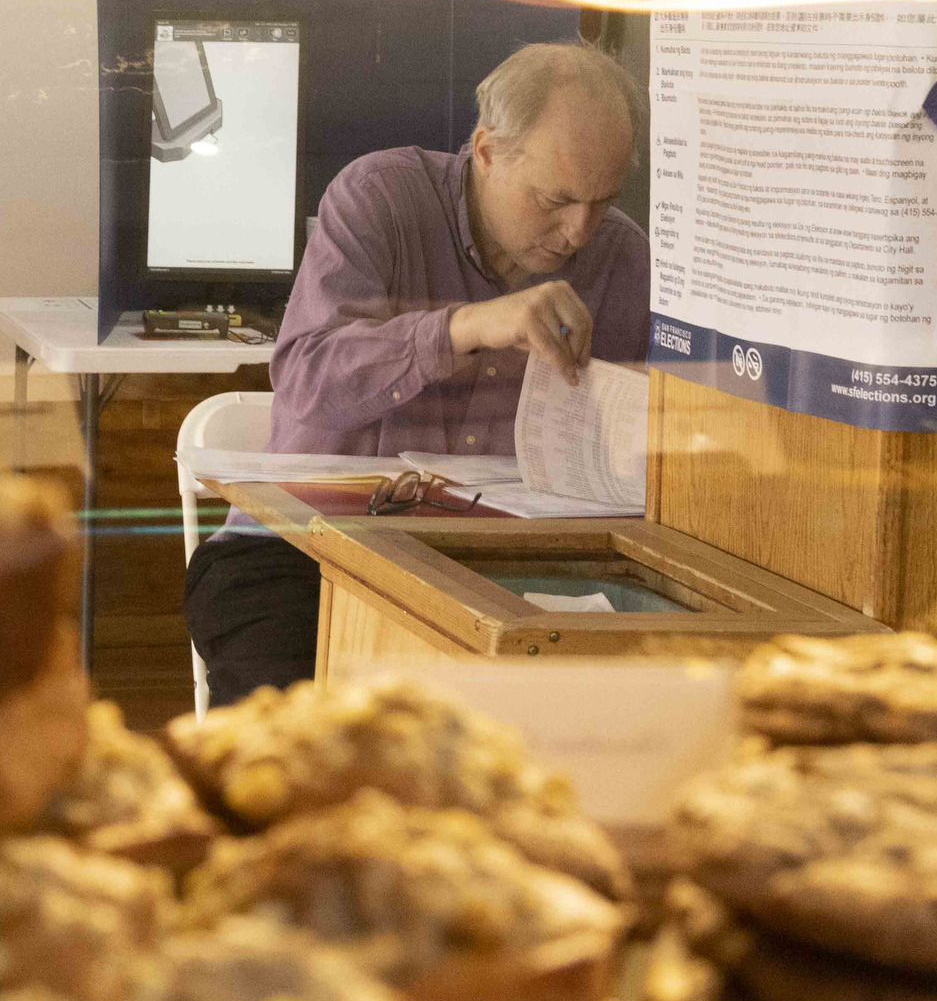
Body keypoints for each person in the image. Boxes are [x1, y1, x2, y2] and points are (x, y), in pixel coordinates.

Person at [181, 39, 650, 709]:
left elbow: (642, 452)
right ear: (486, 151)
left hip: (495, 570)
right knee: (297, 743)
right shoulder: (381, 199)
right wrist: (466, 327)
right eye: (556, 200)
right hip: (302, 556)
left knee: (598, 720)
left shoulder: (624, 259)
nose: (579, 232)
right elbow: (307, 375)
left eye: (601, 202)